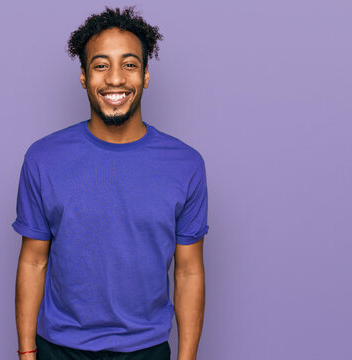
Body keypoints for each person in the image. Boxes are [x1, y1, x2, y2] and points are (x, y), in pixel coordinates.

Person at [12, 6, 209, 360]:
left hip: (145, 350)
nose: (115, 79)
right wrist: (27, 353)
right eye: (101, 65)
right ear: (84, 77)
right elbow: (33, 261)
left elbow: (189, 270)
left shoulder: (186, 164)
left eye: (129, 64)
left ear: (146, 76)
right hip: (59, 350)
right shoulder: (43, 158)